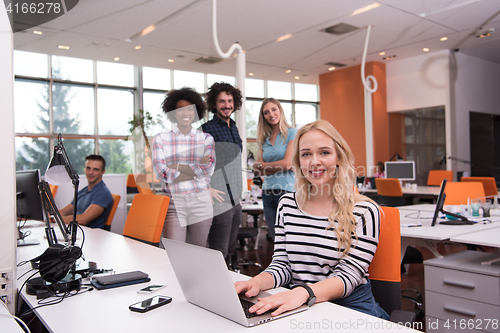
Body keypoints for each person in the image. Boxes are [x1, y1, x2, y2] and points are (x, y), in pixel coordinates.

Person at [234, 120, 388, 319]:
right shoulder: (287, 204)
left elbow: (348, 277)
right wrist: (256, 282)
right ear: (298, 161)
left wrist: (302, 292)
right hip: (299, 304)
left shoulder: (364, 210)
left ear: (339, 157)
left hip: (348, 308)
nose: (314, 161)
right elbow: (283, 265)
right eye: (306, 154)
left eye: (324, 152)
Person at [152, 87, 215, 246]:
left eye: (189, 109)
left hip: (201, 202)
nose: (185, 113)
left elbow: (208, 170)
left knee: (198, 252)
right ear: (173, 112)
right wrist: (196, 168)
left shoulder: (206, 139)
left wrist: (176, 166)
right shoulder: (161, 139)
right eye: (180, 109)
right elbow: (162, 173)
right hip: (174, 203)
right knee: (174, 253)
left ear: (195, 112)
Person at [201, 82, 243, 267]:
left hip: (236, 197)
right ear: (214, 104)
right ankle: (214, 290)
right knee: (219, 250)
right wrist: (207, 188)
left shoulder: (233, 127)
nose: (227, 105)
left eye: (230, 100)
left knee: (231, 249)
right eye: (221, 101)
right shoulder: (206, 129)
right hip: (219, 197)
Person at [252, 98, 296, 240]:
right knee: (276, 240)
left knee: (290, 238)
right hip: (267, 192)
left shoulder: (292, 133)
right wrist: (277, 166)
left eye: (273, 110)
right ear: (263, 117)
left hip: (287, 192)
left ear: (280, 110)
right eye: (266, 112)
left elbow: (288, 163)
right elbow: (257, 170)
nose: (271, 114)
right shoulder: (263, 139)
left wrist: (263, 166)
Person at [58, 155, 113, 229]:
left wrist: (55, 219)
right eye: (88, 168)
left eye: (95, 169)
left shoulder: (102, 193)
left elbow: (84, 219)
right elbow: (64, 212)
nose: (90, 172)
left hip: (91, 236)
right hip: (77, 231)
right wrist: (48, 216)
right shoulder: (83, 191)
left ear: (102, 172)